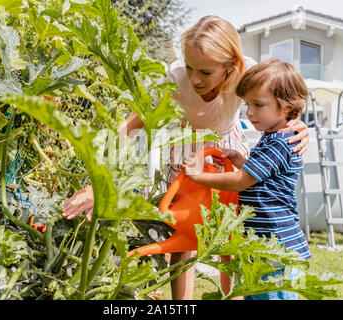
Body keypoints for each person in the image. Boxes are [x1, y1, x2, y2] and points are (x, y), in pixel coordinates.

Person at [62, 16, 310, 300]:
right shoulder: (176, 78)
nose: (194, 78)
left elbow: (285, 93)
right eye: (190, 67)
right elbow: (128, 129)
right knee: (183, 239)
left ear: (230, 67)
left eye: (205, 72)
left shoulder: (248, 71)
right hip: (186, 153)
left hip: (225, 153)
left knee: (229, 239)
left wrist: (298, 124)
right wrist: (99, 184)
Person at [181, 58, 311, 300]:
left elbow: (242, 181)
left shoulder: (280, 142)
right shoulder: (272, 138)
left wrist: (199, 176)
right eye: (247, 105)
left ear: (286, 107)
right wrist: (241, 159)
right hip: (265, 244)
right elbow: (264, 177)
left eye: (258, 105)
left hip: (275, 249)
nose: (249, 113)